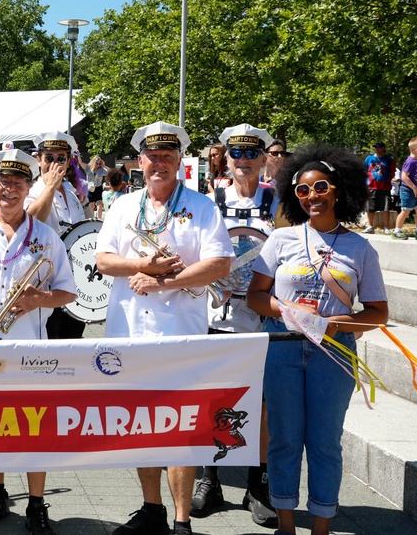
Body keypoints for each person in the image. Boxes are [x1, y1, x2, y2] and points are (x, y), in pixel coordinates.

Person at [95, 121, 233, 535]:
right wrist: (143, 265)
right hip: (131, 331)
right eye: (153, 157)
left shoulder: (203, 206)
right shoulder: (122, 206)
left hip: (181, 332)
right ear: (140, 162)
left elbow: (220, 263)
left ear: (180, 163)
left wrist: (164, 281)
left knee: (182, 424)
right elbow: (103, 260)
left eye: (168, 157)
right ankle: (151, 509)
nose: (160, 164)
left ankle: (182, 520)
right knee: (140, 422)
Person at [246, 144, 387, 535]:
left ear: (338, 191)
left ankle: (322, 526)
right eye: (303, 190)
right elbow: (255, 297)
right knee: (284, 440)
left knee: (325, 443)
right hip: (282, 349)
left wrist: (340, 323)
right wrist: (287, 311)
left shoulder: (360, 248)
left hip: (334, 354)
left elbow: (379, 313)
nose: (312, 197)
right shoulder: (280, 240)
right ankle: (286, 525)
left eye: (320, 187)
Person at [0, 148, 76, 535]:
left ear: (27, 187)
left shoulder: (47, 236)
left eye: (19, 182)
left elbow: (69, 294)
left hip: (30, 351)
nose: (10, 189)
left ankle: (36, 504)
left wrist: (40, 299)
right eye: (3, 181)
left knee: (33, 427)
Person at [191, 123, 278, 528]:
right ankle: (209, 479)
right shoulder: (209, 201)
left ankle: (256, 484)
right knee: (211, 399)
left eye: (251, 154)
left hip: (260, 314)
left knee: (261, 406)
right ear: (225, 157)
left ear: (264, 158)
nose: (243, 161)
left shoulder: (279, 200)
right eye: (236, 154)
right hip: (213, 312)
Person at [26, 131, 87, 340]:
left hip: (72, 281)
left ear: (69, 161)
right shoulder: (32, 191)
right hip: (46, 283)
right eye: (48, 158)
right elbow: (30, 224)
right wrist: (50, 186)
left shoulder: (70, 192)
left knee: (72, 343)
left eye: (60, 158)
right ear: (38, 159)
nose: (54, 164)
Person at [393, 137, 417, 239]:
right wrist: (414, 188)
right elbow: (404, 176)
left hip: (416, 190)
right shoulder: (410, 162)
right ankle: (397, 231)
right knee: (406, 210)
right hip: (408, 190)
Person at [363, 142, 395, 234]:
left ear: (383, 148)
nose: (377, 149)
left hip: (384, 187)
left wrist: (388, 180)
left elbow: (392, 172)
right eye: (376, 147)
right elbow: (364, 170)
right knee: (370, 207)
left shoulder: (388, 159)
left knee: (386, 207)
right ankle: (370, 226)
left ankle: (386, 227)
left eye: (379, 147)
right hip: (371, 186)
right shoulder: (369, 158)